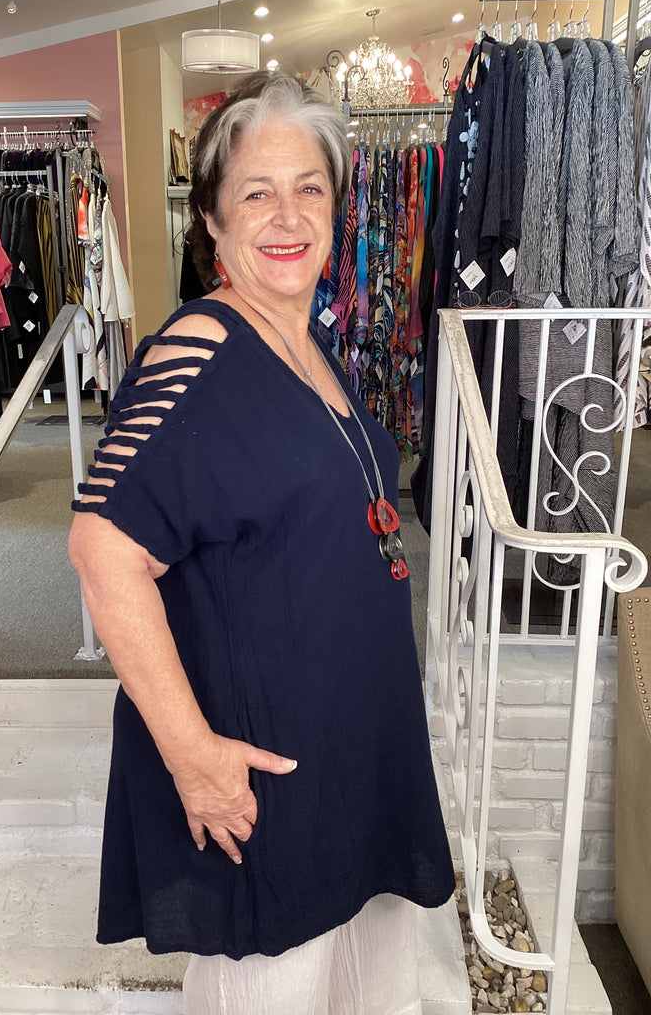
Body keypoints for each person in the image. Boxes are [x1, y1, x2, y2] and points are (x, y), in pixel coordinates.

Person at [69, 71, 454, 1015]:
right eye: (256, 193)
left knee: (362, 984)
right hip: (266, 770)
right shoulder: (196, 351)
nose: (287, 216)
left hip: (351, 749)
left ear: (335, 206)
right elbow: (103, 550)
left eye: (308, 188)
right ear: (211, 219)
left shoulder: (311, 340)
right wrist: (193, 757)